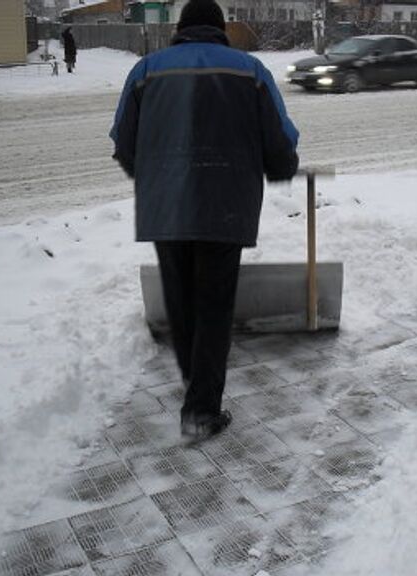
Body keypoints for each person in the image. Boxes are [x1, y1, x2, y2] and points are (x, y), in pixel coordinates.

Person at [110, 0, 299, 440]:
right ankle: (201, 409)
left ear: (180, 29)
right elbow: (279, 137)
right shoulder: (249, 70)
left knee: (181, 303)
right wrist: (282, 166)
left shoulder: (146, 70)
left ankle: (194, 389)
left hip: (166, 203)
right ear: (219, 28)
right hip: (225, 202)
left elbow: (123, 140)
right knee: (214, 304)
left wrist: (156, 175)